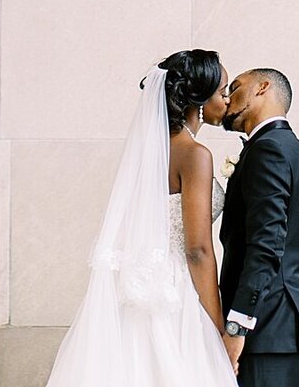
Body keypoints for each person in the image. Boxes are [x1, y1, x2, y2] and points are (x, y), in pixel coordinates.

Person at [45, 50, 239, 387]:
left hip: (139, 289)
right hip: (176, 294)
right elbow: (197, 250)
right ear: (198, 100)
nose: (227, 101)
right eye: (223, 92)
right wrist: (216, 326)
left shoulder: (150, 151)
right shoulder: (195, 155)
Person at [218, 68, 299, 387]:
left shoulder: (267, 150)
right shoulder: (292, 148)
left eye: (236, 87)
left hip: (270, 328)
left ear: (263, 89)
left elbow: (266, 246)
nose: (227, 98)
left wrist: (237, 326)